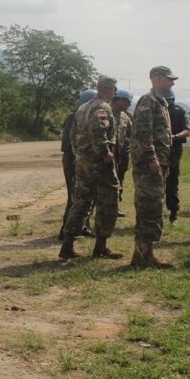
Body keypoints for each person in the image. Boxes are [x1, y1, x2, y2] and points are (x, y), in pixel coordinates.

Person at [58, 76, 123, 260]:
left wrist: (79, 153)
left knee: (81, 202)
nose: (114, 93)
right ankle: (101, 247)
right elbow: (98, 130)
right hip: (99, 163)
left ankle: (67, 245)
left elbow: (73, 133)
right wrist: (105, 153)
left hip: (82, 162)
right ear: (109, 89)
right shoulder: (102, 107)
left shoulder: (83, 107)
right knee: (108, 201)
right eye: (114, 90)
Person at [129, 66, 177, 268]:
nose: (173, 83)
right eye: (170, 79)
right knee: (150, 208)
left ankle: (141, 255)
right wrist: (152, 158)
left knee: (149, 207)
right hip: (149, 165)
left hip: (158, 163)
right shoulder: (149, 101)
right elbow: (143, 132)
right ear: (159, 79)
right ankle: (145, 256)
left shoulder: (161, 102)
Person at [58, 89, 96, 240]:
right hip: (73, 160)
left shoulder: (83, 115)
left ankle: (84, 226)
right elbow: (68, 143)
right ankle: (65, 229)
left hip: (80, 159)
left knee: (85, 196)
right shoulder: (74, 116)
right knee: (74, 196)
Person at [165, 91, 190, 225]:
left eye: (168, 99)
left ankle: (173, 213)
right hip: (157, 151)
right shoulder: (155, 109)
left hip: (174, 151)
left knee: (172, 182)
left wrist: (175, 137)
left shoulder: (179, 111)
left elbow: (187, 130)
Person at [112, 89, 134, 217]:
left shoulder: (124, 117)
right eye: (128, 102)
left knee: (119, 181)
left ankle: (115, 207)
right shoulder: (105, 113)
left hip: (120, 156)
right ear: (121, 100)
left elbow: (133, 133)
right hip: (106, 157)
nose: (129, 105)